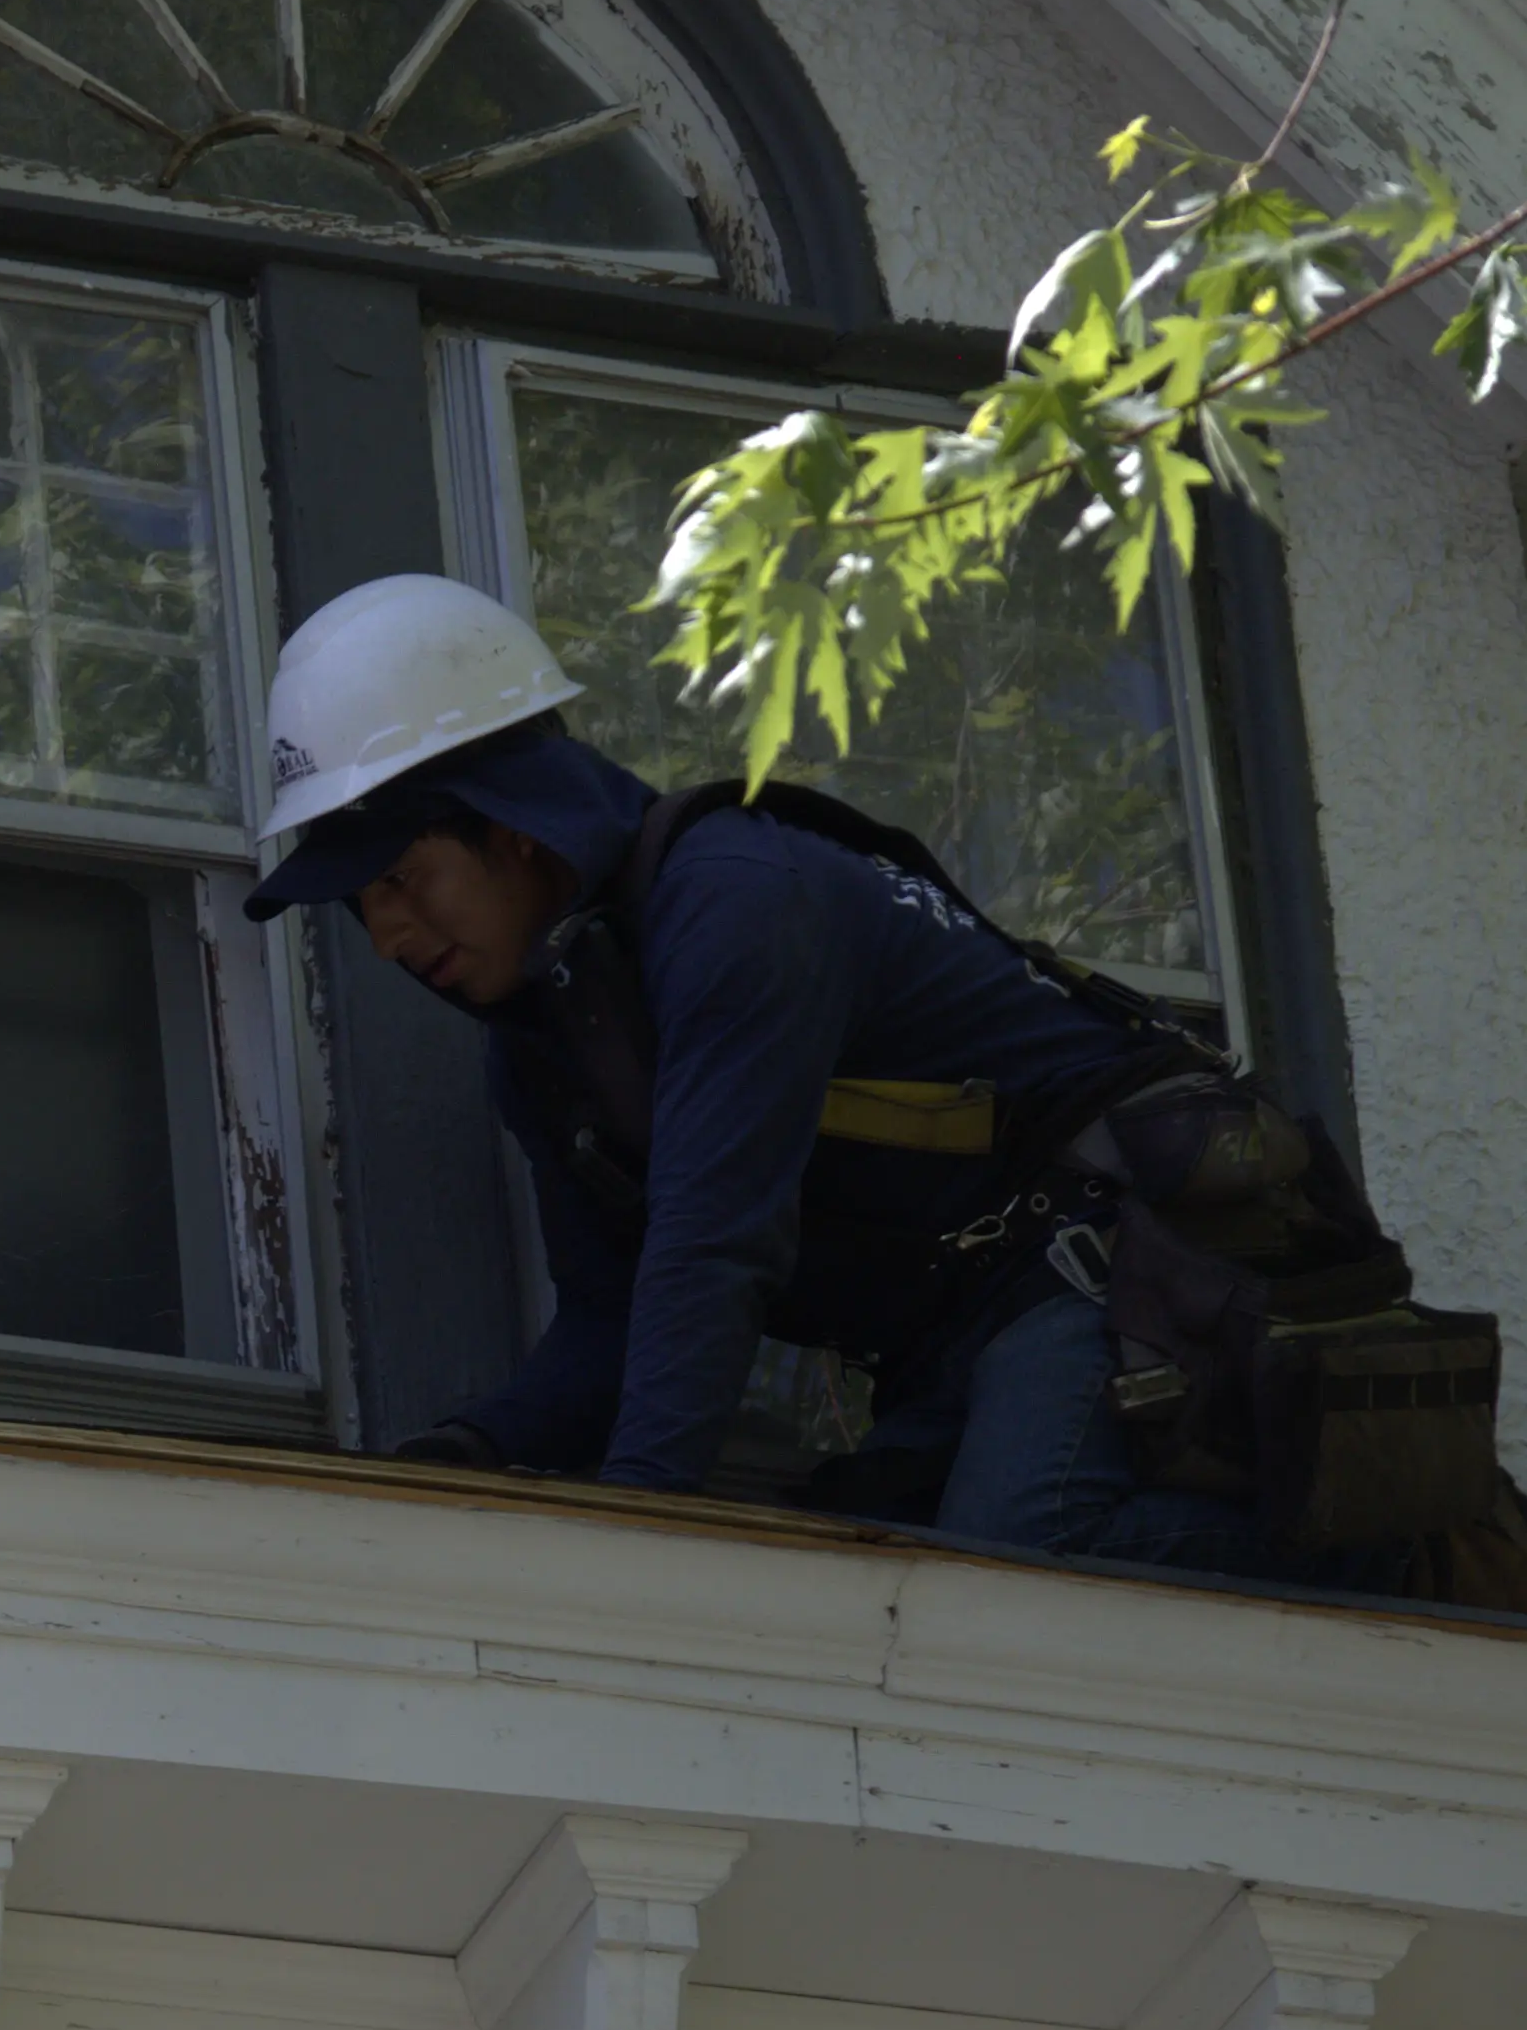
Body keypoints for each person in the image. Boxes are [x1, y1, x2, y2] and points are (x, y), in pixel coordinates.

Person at [249, 571, 1417, 1594]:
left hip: (1105, 1271)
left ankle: (1383, 1556)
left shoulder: (734, 902)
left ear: (515, 829)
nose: (391, 937)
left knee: (1013, 1565)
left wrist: (631, 1533)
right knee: (865, 1593)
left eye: (402, 877)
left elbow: (713, 1248)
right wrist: (476, 1448)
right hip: (958, 1343)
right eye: (361, 907)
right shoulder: (545, 1042)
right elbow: (615, 1311)